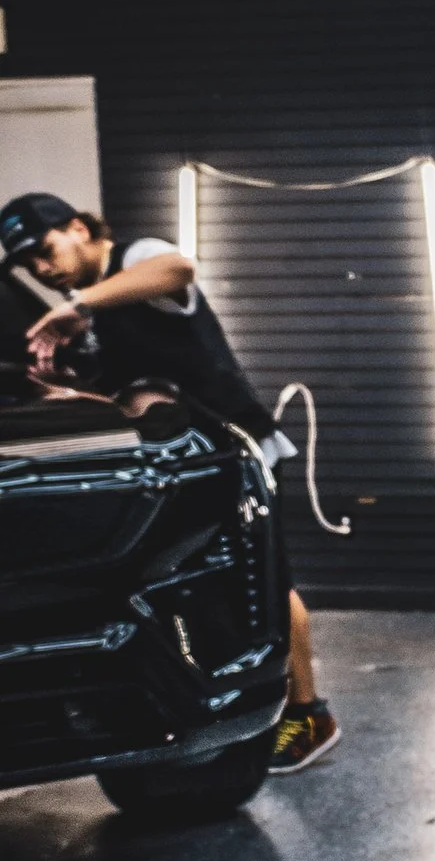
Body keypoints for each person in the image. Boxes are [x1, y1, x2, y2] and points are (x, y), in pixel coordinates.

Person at [0, 192, 339, 772]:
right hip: (177, 466)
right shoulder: (94, 315)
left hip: (234, 450)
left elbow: (177, 269)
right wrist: (67, 386)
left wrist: (79, 304)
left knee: (266, 582)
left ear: (78, 227)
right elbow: (129, 396)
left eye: (44, 250)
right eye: (28, 264)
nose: (41, 269)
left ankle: (308, 716)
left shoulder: (138, 257)